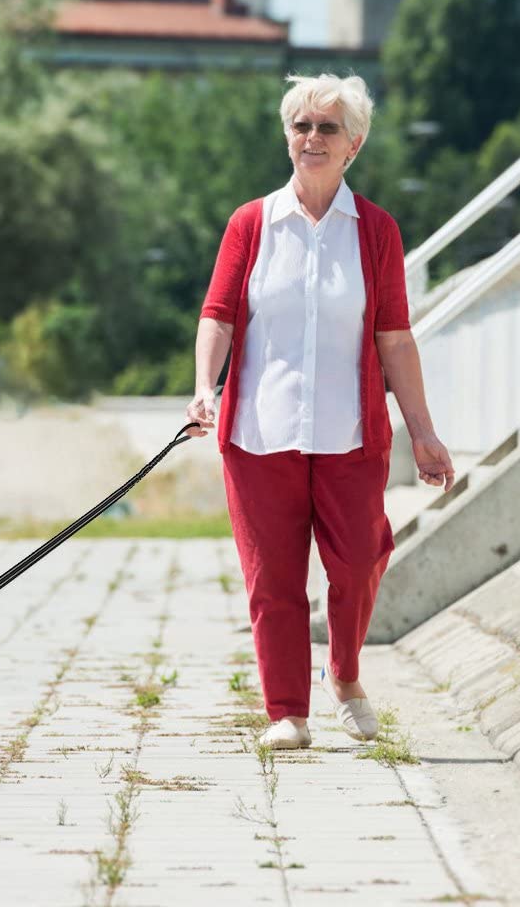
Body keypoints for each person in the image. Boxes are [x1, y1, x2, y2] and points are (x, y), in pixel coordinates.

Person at [185, 73, 455, 750]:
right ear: (287, 136)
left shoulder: (376, 232)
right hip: (257, 435)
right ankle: (287, 713)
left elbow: (394, 337)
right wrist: (203, 387)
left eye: (326, 128)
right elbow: (218, 314)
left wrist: (422, 432)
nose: (311, 138)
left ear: (353, 144)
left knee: (363, 557)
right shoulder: (252, 224)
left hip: (351, 434)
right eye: (301, 126)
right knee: (272, 579)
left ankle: (344, 673)